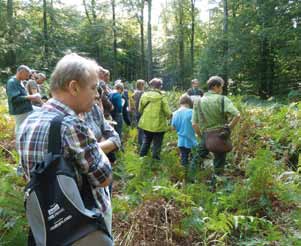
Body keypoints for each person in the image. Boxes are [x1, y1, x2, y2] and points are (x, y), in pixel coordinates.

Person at [16, 53, 113, 245]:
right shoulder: (72, 126)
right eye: (93, 88)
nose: (96, 95)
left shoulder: (28, 122)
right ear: (74, 87)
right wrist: (99, 144)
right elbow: (104, 178)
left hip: (48, 226)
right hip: (83, 227)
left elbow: (25, 175)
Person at [192, 76, 240, 180]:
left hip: (206, 134)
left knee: (197, 158)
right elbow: (237, 115)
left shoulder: (198, 102)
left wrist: (202, 136)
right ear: (215, 86)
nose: (221, 90)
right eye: (221, 87)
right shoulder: (222, 99)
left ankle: (189, 179)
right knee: (219, 162)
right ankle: (216, 185)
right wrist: (229, 128)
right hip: (220, 135)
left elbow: (194, 124)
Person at [139, 78, 172, 160]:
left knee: (146, 141)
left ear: (151, 86)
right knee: (157, 143)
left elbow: (140, 109)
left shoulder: (144, 95)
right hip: (159, 125)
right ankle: (155, 161)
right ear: (160, 86)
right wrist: (170, 116)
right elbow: (168, 112)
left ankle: (141, 159)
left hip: (146, 124)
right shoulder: (162, 97)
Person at [6, 65, 41, 133]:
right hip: (20, 110)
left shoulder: (20, 81)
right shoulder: (12, 82)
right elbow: (15, 99)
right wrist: (32, 97)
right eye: (26, 75)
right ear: (20, 72)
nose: (27, 77)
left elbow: (24, 95)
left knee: (42, 111)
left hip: (27, 108)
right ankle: (18, 143)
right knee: (20, 128)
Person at [171, 94, 197, 167]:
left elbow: (173, 128)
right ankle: (193, 175)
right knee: (195, 160)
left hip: (181, 141)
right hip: (192, 140)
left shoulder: (175, 113)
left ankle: (185, 175)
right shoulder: (192, 112)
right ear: (189, 102)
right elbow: (196, 125)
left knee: (184, 159)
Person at [132, 79, 145, 146]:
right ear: (141, 85)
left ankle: (139, 142)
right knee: (142, 129)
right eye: (143, 84)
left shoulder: (134, 92)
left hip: (135, 112)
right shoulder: (142, 93)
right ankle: (141, 143)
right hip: (141, 112)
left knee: (139, 128)